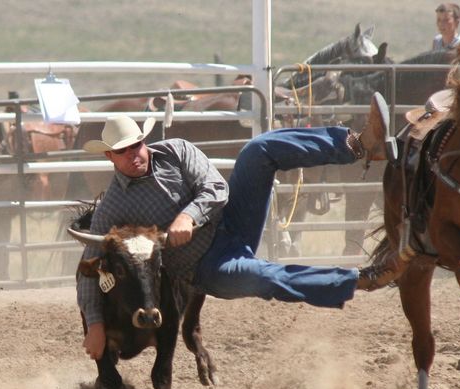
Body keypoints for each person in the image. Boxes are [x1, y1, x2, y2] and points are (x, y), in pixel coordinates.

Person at [76, 92, 394, 360]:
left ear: (145, 141)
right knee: (262, 275)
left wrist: (188, 216)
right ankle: (359, 280)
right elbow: (87, 268)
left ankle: (360, 145)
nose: (133, 155)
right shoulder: (112, 208)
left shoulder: (176, 151)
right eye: (123, 151)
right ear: (110, 157)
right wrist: (95, 325)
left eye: (137, 145)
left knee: (257, 151)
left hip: (232, 220)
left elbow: (215, 188)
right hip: (207, 268)